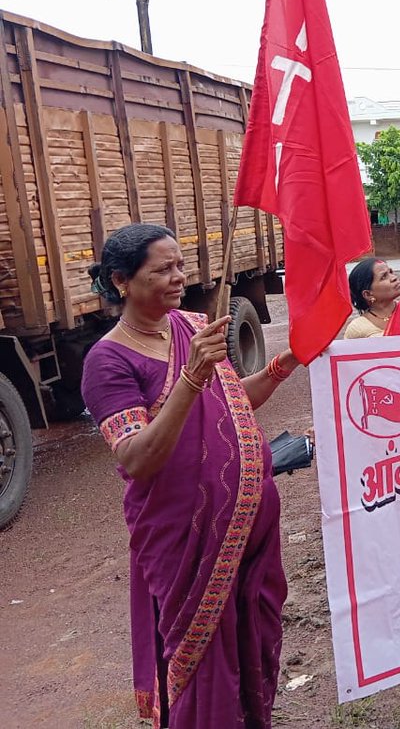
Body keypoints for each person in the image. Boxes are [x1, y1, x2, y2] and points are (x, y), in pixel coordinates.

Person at [80, 224, 300, 728]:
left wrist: (281, 366)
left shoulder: (190, 326)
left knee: (250, 643)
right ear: (121, 281)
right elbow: (138, 457)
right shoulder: (108, 360)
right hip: (186, 542)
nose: (179, 277)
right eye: (162, 270)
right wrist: (192, 375)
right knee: (203, 667)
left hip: (249, 533)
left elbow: (230, 404)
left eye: (180, 265)